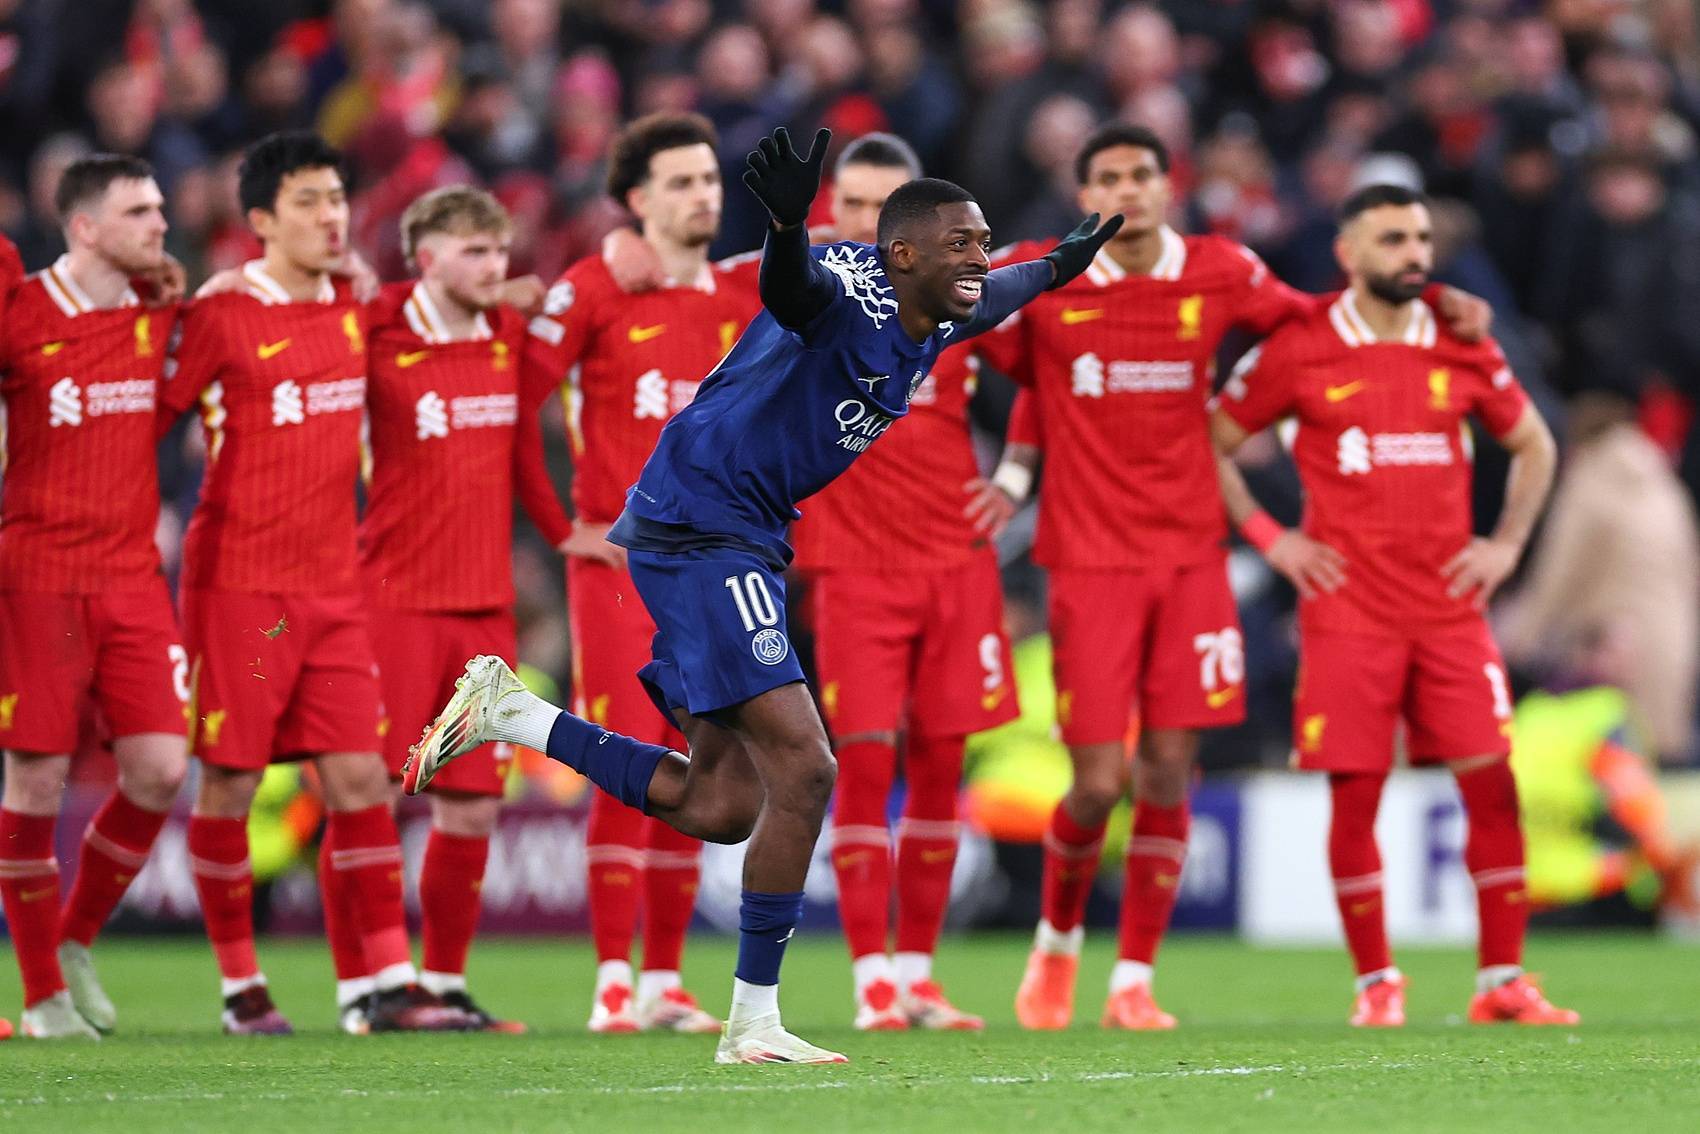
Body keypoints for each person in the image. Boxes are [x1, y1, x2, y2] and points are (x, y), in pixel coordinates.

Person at [406, 126, 1120, 1064]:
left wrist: (1060, 263)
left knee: (719, 806)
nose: (980, 260)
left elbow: (1005, 292)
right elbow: (793, 292)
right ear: (903, 255)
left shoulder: (941, 307)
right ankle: (753, 1023)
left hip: (736, 531)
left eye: (984, 242)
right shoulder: (848, 298)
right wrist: (786, 226)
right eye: (963, 244)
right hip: (706, 525)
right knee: (810, 767)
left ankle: (515, 715)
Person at [979, 123, 1492, 1031]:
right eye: (1109, 177)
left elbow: (1312, 317)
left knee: (1169, 772)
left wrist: (1434, 299)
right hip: (1090, 563)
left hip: (1191, 560)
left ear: (1168, 185)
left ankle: (1133, 981)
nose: (1128, 189)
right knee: (1097, 783)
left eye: (1143, 173)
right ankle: (1056, 944)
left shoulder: (1219, 269)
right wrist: (1015, 473)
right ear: (1085, 194)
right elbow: (1004, 359)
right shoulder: (1045, 275)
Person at [1209, 182, 1578, 1027]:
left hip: (1449, 610)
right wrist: (1273, 540)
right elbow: (1213, 441)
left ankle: (1503, 981)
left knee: (1492, 782)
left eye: (1420, 239)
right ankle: (1377, 984)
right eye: (1393, 240)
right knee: (1357, 794)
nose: (1413, 254)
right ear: (1348, 254)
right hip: (1349, 612)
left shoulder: (1460, 340)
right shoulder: (1301, 347)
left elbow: (1535, 444)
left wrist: (1506, 546)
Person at [160, 130, 464, 1036]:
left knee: (362, 780)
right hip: (239, 591)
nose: (332, 217)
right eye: (309, 201)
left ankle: (383, 984)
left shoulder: (356, 305)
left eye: (337, 198)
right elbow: (152, 420)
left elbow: (450, 306)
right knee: (230, 784)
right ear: (260, 220)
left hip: (335, 589)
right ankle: (240, 986)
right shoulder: (219, 314)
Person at [518, 112, 755, 1035]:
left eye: (710, 179)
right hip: (620, 571)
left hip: (713, 574)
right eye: (682, 182)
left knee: (704, 763)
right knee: (623, 755)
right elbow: (518, 404)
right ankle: (613, 980)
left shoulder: (740, 296)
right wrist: (561, 530)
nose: (703, 195)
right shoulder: (594, 288)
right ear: (636, 199)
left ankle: (663, 980)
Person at [796, 133, 1016, 1031]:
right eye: (853, 204)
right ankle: (872, 980)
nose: (869, 223)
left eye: (884, 208)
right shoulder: (808, 294)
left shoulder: (962, 299)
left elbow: (1044, 367)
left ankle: (920, 975)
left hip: (956, 566)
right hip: (854, 570)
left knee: (940, 769)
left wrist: (1016, 476)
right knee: (863, 765)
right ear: (830, 213)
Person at [0, 157, 188, 1039]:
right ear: (84, 227)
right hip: (39, 576)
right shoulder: (21, 312)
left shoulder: (159, 311)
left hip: (132, 578)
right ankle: (42, 995)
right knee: (35, 777)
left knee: (160, 769)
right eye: (139, 211)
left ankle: (75, 939)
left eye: (160, 207)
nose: (160, 223)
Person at [355, 185, 538, 1033]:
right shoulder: (379, 329)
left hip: (484, 608)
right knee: (374, 792)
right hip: (394, 600)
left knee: (472, 805)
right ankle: (371, 987)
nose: (494, 266)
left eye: (499, 250)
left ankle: (446, 984)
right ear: (426, 259)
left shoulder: (508, 332)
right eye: (474, 251)